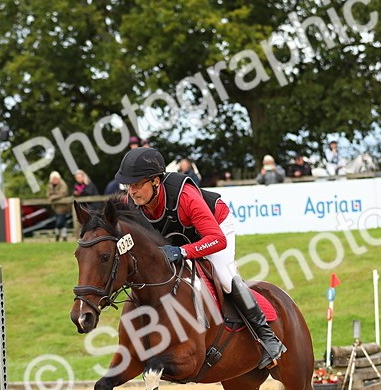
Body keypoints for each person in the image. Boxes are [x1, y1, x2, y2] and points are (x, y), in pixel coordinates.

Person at [112, 147, 285, 368]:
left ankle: (268, 339)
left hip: (215, 228)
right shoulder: (133, 204)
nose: (132, 191)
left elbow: (217, 239)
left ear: (156, 182)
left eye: (137, 184)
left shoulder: (184, 196)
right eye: (129, 185)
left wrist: (183, 251)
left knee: (225, 276)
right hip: (181, 237)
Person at [47, 171, 74, 242]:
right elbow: (48, 194)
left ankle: (58, 234)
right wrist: (54, 195)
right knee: (61, 221)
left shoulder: (63, 184)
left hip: (63, 206)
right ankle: (63, 236)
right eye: (53, 179)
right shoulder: (50, 185)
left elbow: (63, 193)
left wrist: (53, 196)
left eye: (55, 179)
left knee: (60, 221)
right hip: (55, 206)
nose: (54, 180)